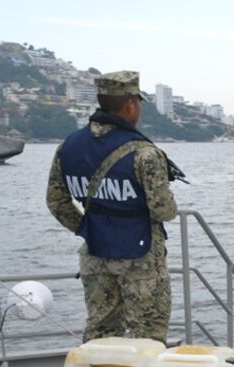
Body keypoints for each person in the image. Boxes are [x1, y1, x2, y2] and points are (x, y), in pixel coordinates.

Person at [47, 70, 178, 343]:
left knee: (101, 332)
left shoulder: (69, 146)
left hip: (95, 254)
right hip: (140, 258)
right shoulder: (144, 153)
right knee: (148, 335)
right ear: (131, 103)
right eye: (139, 102)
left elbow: (56, 201)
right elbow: (163, 210)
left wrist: (86, 227)